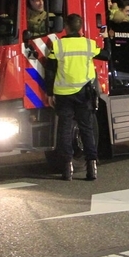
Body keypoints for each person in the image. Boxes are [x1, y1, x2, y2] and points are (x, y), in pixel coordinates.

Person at [48, 13, 111, 181]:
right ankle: (91, 167)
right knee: (86, 129)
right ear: (81, 28)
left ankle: (67, 168)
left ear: (66, 27)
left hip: (63, 95)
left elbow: (50, 69)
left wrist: (49, 93)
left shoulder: (58, 45)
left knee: (65, 130)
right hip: (84, 93)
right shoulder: (89, 44)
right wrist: (106, 38)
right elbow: (106, 55)